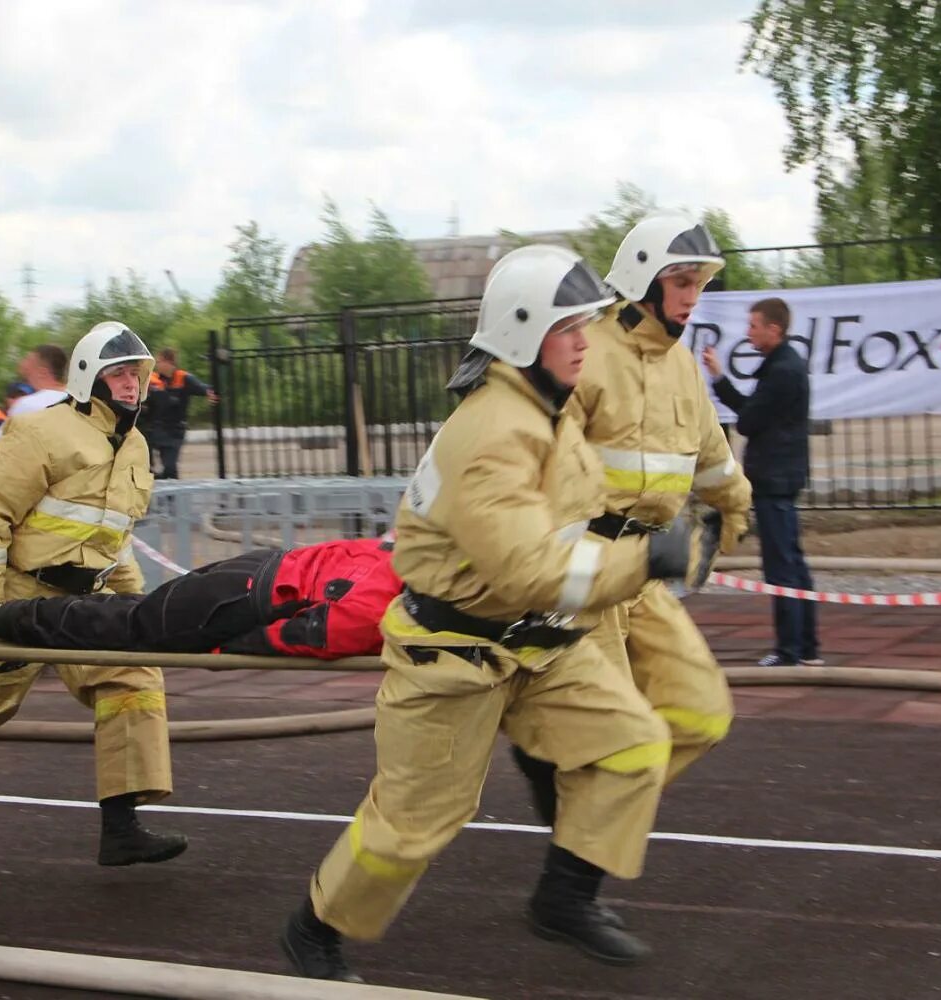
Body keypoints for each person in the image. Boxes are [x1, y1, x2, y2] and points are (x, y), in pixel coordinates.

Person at [279, 245, 723, 983]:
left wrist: (654, 540)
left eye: (586, 325)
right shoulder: (491, 432)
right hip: (455, 658)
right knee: (411, 829)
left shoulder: (548, 414)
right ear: (522, 334)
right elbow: (529, 569)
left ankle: (563, 900)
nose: (586, 340)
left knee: (635, 746)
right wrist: (650, 560)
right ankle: (312, 931)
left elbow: (573, 533)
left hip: (543, 649)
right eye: (568, 328)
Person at [0, 322, 187, 867]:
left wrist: (138, 605)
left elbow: (113, 535)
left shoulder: (136, 446)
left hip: (87, 600)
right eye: (118, 374)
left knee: (132, 679)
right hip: (22, 594)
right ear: (87, 378)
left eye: (136, 375)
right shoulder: (41, 433)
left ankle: (121, 828)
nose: (130, 384)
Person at [510, 217, 754, 820]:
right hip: (588, 575)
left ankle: (581, 807)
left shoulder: (682, 369)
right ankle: (574, 873)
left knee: (700, 709)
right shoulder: (588, 355)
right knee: (612, 732)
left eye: (698, 282)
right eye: (681, 280)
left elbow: (714, 461)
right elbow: (546, 466)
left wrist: (732, 511)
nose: (693, 295)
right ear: (644, 280)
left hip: (646, 575)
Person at [0, 536, 401, 659]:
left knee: (141, 617)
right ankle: (7, 618)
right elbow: (310, 635)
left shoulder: (405, 555)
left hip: (255, 575)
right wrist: (221, 648)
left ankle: (15, 615)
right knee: (133, 628)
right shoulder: (377, 606)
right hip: (240, 601)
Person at [703, 297, 821, 667]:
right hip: (781, 476)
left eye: (754, 325)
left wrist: (721, 381)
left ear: (774, 328)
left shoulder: (782, 370)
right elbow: (752, 413)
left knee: (782, 565)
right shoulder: (782, 365)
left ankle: (790, 650)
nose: (748, 332)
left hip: (775, 478)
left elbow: (749, 421)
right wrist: (720, 379)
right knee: (792, 561)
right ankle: (806, 646)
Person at [137, 347, 217, 479]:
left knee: (170, 468)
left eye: (159, 361)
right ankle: (153, 477)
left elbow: (205, 388)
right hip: (156, 429)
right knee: (143, 456)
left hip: (175, 432)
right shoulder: (153, 380)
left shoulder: (184, 378)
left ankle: (168, 489)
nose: (157, 365)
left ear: (169, 363)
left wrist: (211, 393)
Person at [0, 344, 71, 447]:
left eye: (27, 359)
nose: (21, 363)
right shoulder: (78, 400)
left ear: (42, 372)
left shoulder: (28, 405)